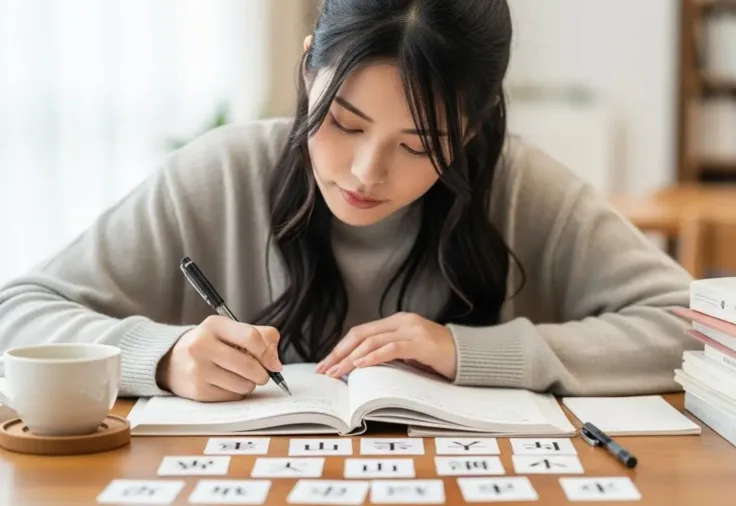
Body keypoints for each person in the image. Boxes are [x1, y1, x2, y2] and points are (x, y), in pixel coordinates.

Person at [0, 0, 696, 402]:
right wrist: (163, 356)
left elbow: (697, 330)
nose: (366, 172)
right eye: (344, 122)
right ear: (309, 71)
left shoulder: (519, 187)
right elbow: (17, 312)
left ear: (476, 126)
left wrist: (471, 353)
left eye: (420, 145)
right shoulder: (220, 172)